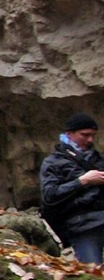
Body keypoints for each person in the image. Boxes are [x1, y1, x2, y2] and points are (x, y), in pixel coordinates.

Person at [40, 112, 104, 264]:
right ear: (69, 134)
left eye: (93, 136)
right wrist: (83, 181)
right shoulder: (52, 163)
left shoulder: (100, 159)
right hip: (82, 227)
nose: (90, 140)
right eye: (85, 135)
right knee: (93, 276)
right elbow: (49, 195)